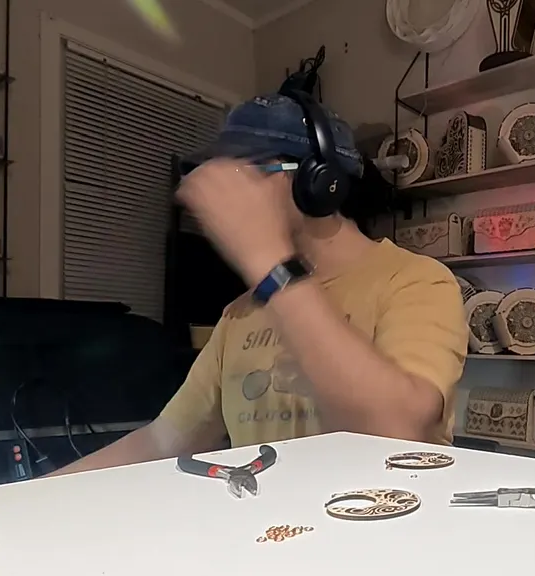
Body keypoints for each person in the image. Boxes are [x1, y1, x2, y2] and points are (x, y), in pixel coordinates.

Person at [54, 92, 468, 476]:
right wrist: (32, 494)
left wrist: (269, 262)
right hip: (272, 529)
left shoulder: (415, 281)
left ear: (313, 181)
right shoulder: (240, 313)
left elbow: (397, 431)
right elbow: (164, 440)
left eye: (242, 175)